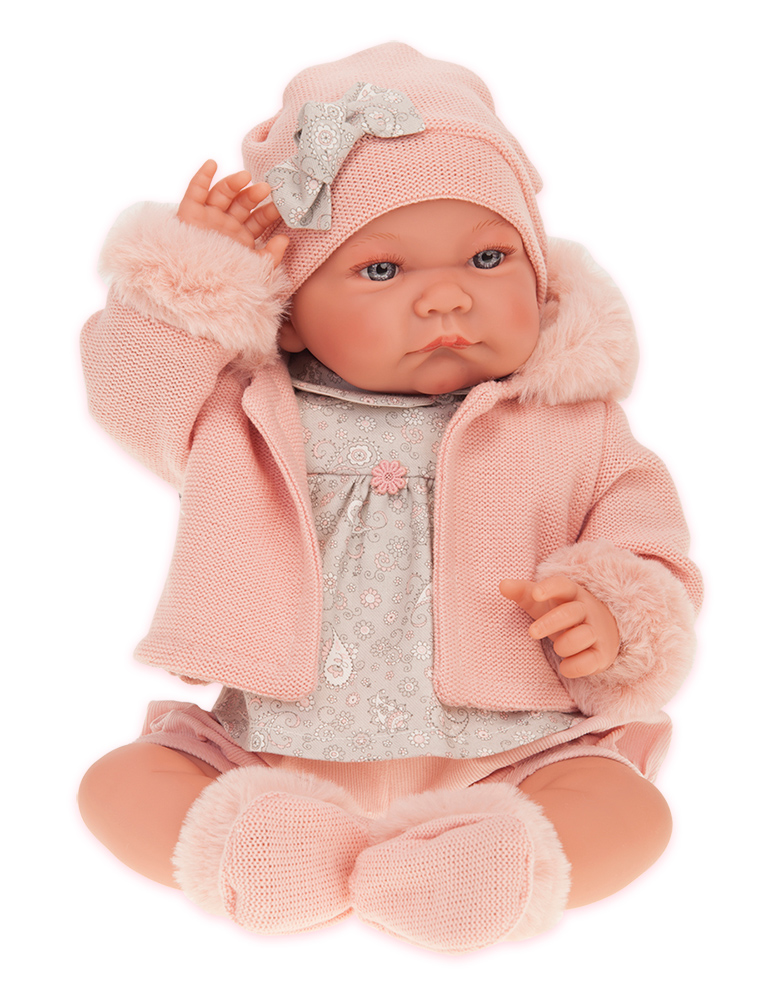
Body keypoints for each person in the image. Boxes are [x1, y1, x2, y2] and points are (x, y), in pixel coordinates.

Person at [77, 42, 702, 953]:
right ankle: (273, 848)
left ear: (536, 274)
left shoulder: (571, 422)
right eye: (381, 270)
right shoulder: (247, 415)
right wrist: (192, 279)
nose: (447, 297)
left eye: (487, 256)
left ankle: (482, 864)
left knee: (628, 811)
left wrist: (612, 610)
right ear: (291, 312)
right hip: (274, 745)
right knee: (118, 786)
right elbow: (132, 390)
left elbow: (649, 537)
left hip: (517, 748)